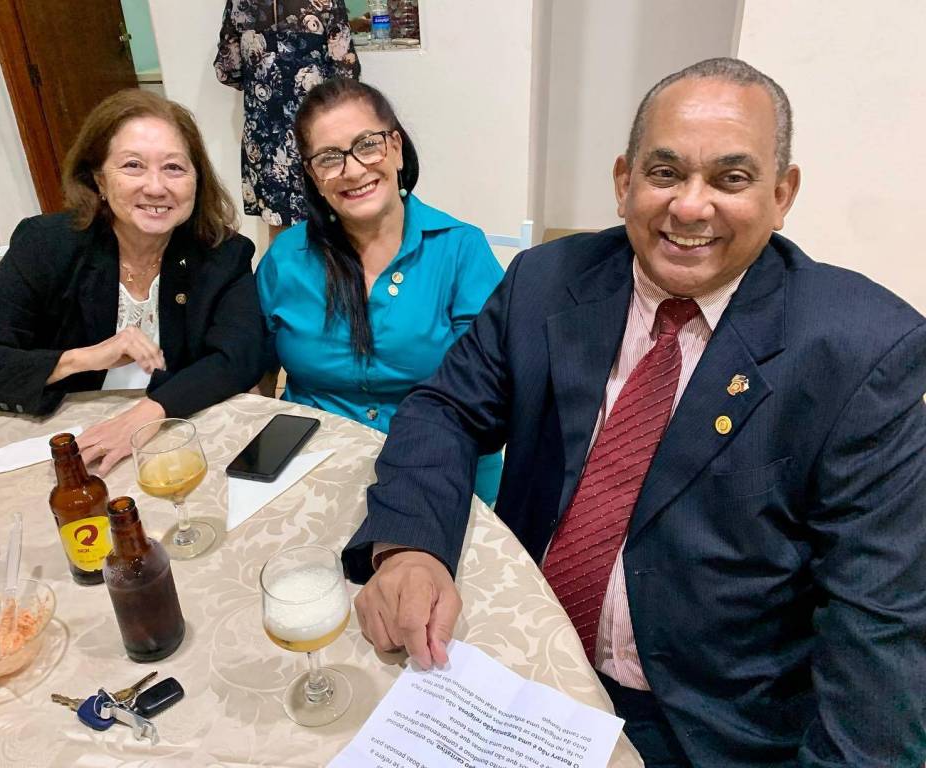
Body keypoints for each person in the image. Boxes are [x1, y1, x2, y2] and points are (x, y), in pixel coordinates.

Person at [342, 58, 926, 767]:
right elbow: (445, 409)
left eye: (731, 179)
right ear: (624, 182)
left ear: (782, 196)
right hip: (520, 657)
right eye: (665, 172)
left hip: (704, 722)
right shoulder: (544, 281)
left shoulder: (863, 353)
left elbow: (882, 628)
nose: (690, 207)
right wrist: (408, 547)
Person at [0, 89, 265, 475]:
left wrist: (146, 416)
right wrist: (82, 358)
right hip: (67, 445)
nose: (156, 186)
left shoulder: (222, 253)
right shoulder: (47, 245)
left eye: (174, 168)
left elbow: (238, 358)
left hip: (171, 441)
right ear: (99, 181)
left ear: (197, 181)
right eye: (133, 165)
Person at [256, 78, 505, 505]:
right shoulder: (286, 258)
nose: (353, 170)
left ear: (396, 148)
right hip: (313, 467)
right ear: (314, 176)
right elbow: (256, 374)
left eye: (367, 145)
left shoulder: (461, 250)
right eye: (329, 158)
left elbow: (486, 391)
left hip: (438, 465)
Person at [215, 0, 360, 238]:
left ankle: (285, 264)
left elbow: (228, 70)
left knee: (278, 224)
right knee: (330, 213)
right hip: (315, 127)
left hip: (265, 129)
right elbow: (346, 69)